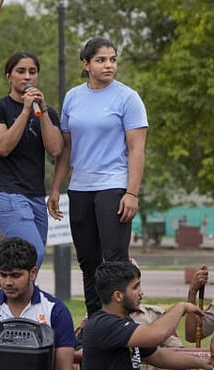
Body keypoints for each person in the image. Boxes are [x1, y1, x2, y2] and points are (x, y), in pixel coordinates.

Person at [47, 37, 148, 316]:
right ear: (86, 64)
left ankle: (118, 319)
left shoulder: (128, 97)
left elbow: (136, 148)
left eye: (113, 59)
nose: (109, 65)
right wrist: (56, 189)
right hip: (80, 188)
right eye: (101, 60)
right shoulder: (73, 97)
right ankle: (94, 321)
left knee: (114, 261)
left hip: (114, 186)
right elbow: (66, 149)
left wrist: (132, 193)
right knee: (88, 260)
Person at [0, 52, 63, 269]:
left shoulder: (47, 112)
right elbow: (3, 147)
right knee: (32, 254)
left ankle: (7, 293)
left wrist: (42, 110)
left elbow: (55, 150)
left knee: (28, 265)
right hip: (6, 193)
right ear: (9, 76)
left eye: (32, 72)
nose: (27, 77)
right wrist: (26, 110)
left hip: (36, 196)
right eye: (21, 71)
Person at [0, 238, 76, 370]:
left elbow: (64, 367)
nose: (8, 282)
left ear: (33, 273)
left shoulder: (55, 311)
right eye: (3, 275)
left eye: (15, 275)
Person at [80, 261, 209, 370]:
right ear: (118, 296)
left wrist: (204, 363)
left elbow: (158, 356)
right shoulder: (103, 325)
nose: (141, 292)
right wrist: (181, 307)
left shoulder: (125, 322)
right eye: (135, 287)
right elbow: (157, 334)